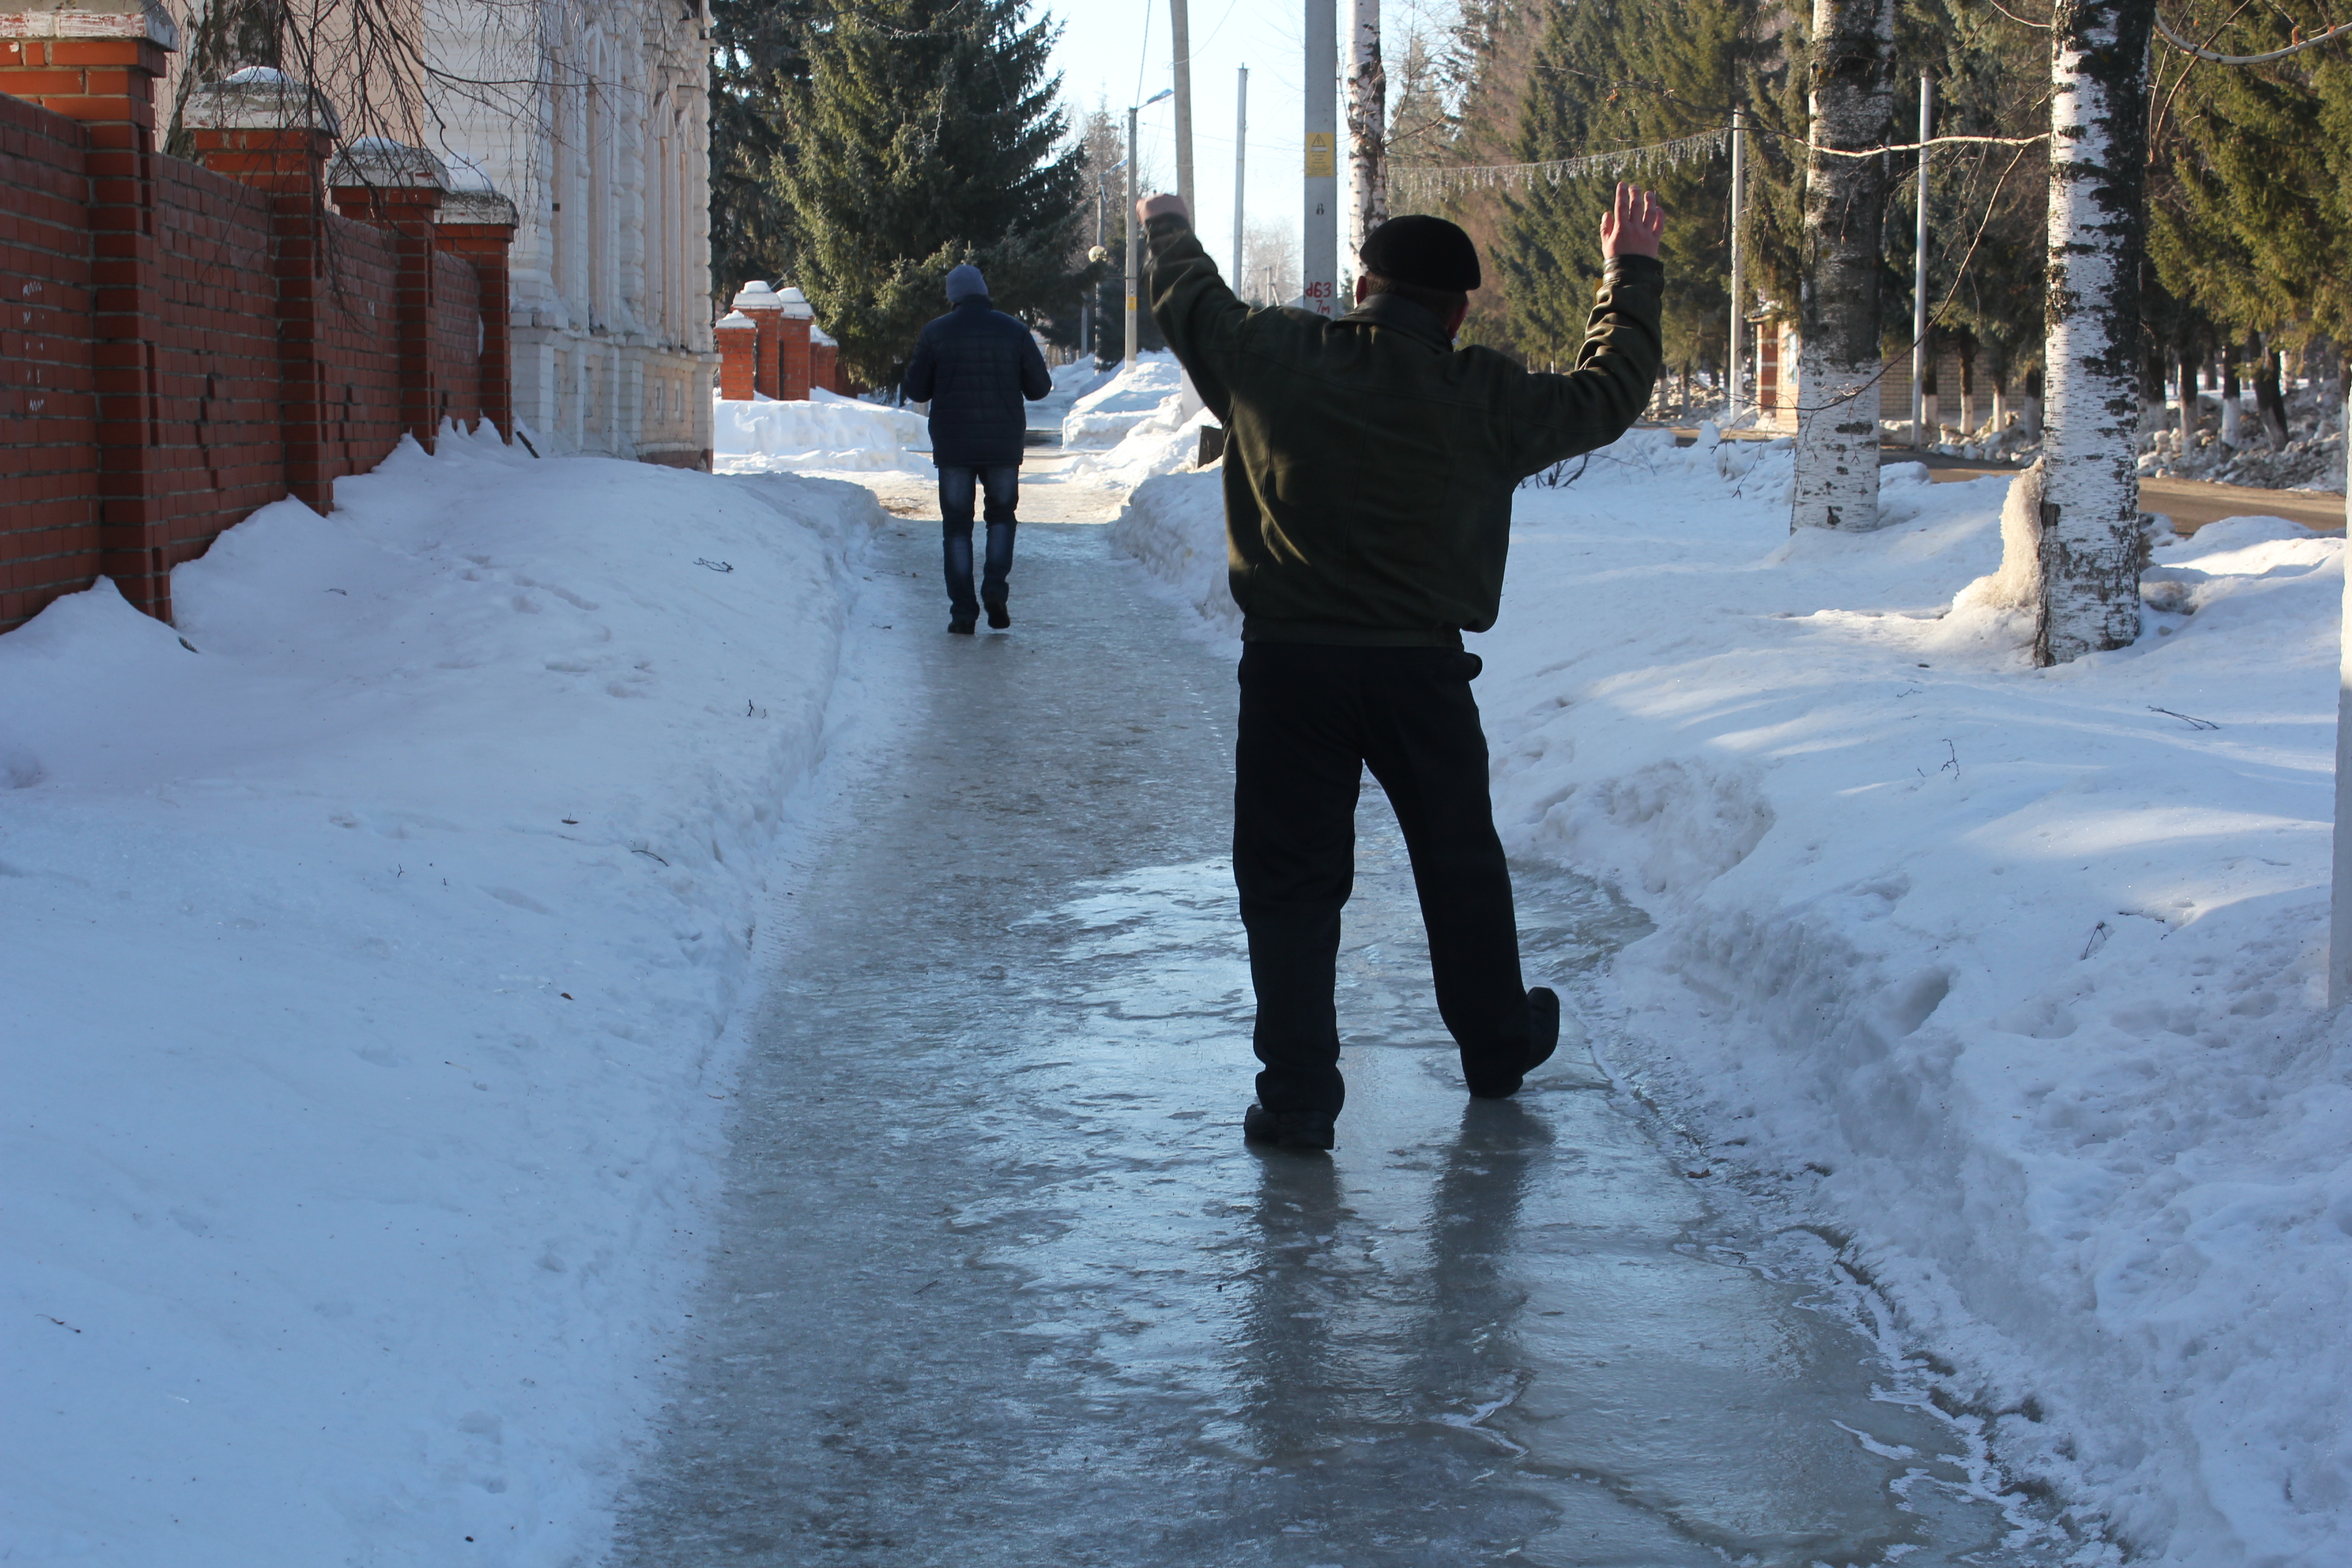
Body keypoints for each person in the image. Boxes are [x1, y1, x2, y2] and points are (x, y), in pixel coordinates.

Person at [1139, 185, 1666, 1152]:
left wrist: (1165, 222)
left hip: (1292, 673)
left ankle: (1297, 1094)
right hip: (1421, 675)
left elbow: (1189, 298)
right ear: (1458, 311)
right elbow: (1610, 392)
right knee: (1459, 863)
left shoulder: (1273, 356)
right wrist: (1626, 272)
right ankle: (1498, 1046)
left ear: (1360, 287)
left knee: (1292, 881)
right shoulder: (1487, 396)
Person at [902, 263, 1053, 634]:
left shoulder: (935, 333)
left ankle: (963, 614)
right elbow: (1039, 387)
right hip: (1003, 444)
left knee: (957, 527)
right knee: (1001, 517)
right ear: (984, 292)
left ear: (952, 296)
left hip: (954, 444)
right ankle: (995, 589)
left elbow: (917, 390)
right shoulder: (1015, 331)